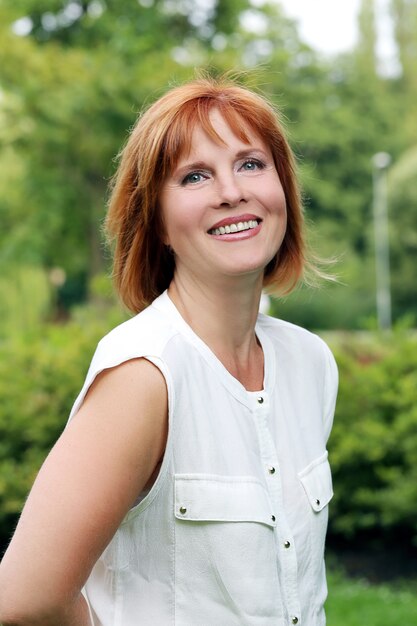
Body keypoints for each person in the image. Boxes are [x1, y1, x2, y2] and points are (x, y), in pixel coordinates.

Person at [0, 75, 338, 626]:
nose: (232, 191)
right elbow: (25, 599)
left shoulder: (310, 363)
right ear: (155, 219)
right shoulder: (143, 375)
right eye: (195, 175)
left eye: (252, 164)